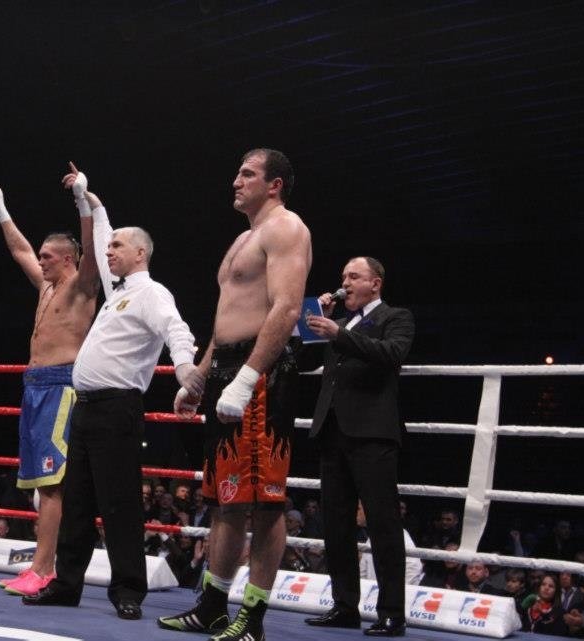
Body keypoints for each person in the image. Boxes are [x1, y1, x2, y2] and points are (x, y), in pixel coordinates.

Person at [22, 169, 202, 622]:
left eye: (118, 247)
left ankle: (128, 591)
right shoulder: (117, 291)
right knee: (77, 502)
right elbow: (102, 233)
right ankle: (66, 584)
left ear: (140, 253)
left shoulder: (151, 293)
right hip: (85, 409)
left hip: (118, 408)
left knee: (119, 503)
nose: (109, 251)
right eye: (110, 246)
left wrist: (185, 372)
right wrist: (88, 199)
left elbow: (177, 330)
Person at [158, 148, 311, 641]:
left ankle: (254, 618)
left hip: (262, 374)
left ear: (275, 184)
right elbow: (226, 319)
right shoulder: (244, 238)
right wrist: (200, 378)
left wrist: (248, 378)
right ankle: (212, 607)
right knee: (224, 500)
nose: (236, 181)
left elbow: (286, 309)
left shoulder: (286, 228)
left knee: (265, 505)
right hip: (228, 368)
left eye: (248, 174)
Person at [0, 164, 100, 596]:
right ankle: (40, 566)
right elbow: (19, 250)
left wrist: (81, 198)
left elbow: (92, 246)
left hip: (61, 386)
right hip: (34, 387)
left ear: (68, 259)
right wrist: (0, 207)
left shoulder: (83, 286)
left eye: (48, 256)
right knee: (41, 485)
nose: (41, 261)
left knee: (53, 486)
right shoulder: (46, 288)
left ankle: (44, 569)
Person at [303, 256, 415, 637]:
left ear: (375, 283)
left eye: (354, 276)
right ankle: (345, 606)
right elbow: (303, 361)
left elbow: (391, 354)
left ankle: (392, 613)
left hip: (372, 434)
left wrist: (338, 333)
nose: (345, 282)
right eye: (343, 277)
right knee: (335, 524)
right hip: (332, 432)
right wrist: (312, 319)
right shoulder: (339, 322)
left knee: (383, 524)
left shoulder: (395, 317)